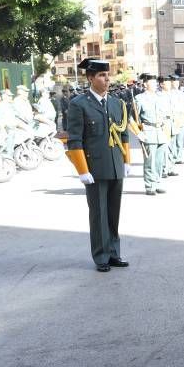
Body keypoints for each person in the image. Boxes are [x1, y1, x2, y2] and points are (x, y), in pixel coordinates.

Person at [65, 58, 131, 271]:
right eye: (102, 76)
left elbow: (124, 134)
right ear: (91, 78)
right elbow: (74, 139)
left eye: (107, 75)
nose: (107, 79)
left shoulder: (116, 102)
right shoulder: (78, 104)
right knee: (99, 214)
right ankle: (101, 256)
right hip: (94, 168)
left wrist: (126, 161)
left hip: (115, 166)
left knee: (113, 212)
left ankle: (114, 253)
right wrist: (82, 170)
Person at [134, 74, 169, 195]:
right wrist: (139, 133)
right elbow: (133, 118)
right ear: (145, 84)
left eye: (155, 83)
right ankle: (149, 186)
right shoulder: (139, 99)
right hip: (148, 131)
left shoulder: (160, 97)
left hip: (161, 131)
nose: (155, 85)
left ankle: (157, 183)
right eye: (152, 83)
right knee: (150, 161)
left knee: (159, 161)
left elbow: (165, 114)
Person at [169, 75, 184, 166]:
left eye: (177, 82)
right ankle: (172, 157)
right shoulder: (168, 93)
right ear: (171, 83)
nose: (176, 84)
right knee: (173, 139)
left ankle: (179, 157)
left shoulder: (181, 93)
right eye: (174, 82)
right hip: (173, 118)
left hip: (180, 117)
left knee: (180, 139)